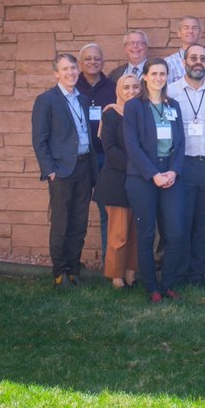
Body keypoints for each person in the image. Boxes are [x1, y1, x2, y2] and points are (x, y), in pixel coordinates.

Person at [31, 54, 99, 288]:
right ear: (56, 74)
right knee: (61, 223)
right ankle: (59, 273)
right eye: (65, 69)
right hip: (61, 171)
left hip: (84, 168)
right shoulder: (47, 100)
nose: (70, 72)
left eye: (73, 68)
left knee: (79, 222)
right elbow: (39, 140)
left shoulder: (83, 99)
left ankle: (73, 269)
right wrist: (50, 170)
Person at [122, 58, 186, 302]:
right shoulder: (134, 107)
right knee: (146, 234)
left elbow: (181, 144)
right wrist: (154, 175)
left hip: (170, 175)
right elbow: (132, 145)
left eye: (163, 74)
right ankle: (152, 288)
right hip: (142, 177)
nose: (159, 78)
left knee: (176, 233)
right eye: (154, 74)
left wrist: (173, 172)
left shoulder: (174, 106)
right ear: (145, 77)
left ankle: (168, 283)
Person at [166, 44, 205, 288]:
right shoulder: (170, 92)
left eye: (203, 59)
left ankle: (197, 273)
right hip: (182, 165)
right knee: (182, 220)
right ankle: (179, 273)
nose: (198, 62)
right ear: (184, 62)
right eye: (193, 58)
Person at [95, 74, 140, 288]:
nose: (131, 91)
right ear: (118, 90)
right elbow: (109, 149)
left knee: (136, 232)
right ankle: (115, 275)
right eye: (126, 87)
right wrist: (137, 167)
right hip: (116, 180)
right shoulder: (111, 114)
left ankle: (131, 272)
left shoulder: (143, 112)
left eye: (135, 87)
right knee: (119, 233)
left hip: (140, 180)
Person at [76, 43, 115, 264]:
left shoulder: (112, 87)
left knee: (107, 210)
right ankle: (73, 261)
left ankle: (109, 261)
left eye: (97, 58)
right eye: (88, 59)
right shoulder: (72, 86)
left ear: (103, 62)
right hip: (80, 157)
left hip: (105, 157)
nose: (93, 62)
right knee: (78, 208)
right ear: (80, 63)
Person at [165, 16, 205, 86]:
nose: (190, 31)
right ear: (179, 33)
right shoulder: (169, 63)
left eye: (194, 28)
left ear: (200, 34)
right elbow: (165, 92)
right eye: (186, 28)